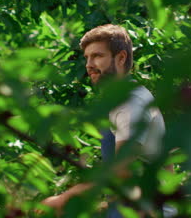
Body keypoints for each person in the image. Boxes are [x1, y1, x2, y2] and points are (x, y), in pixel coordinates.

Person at [41, 24, 167, 217]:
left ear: (121, 58)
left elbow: (122, 171)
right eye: (87, 58)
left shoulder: (131, 101)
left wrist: (63, 199)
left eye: (97, 56)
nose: (88, 64)